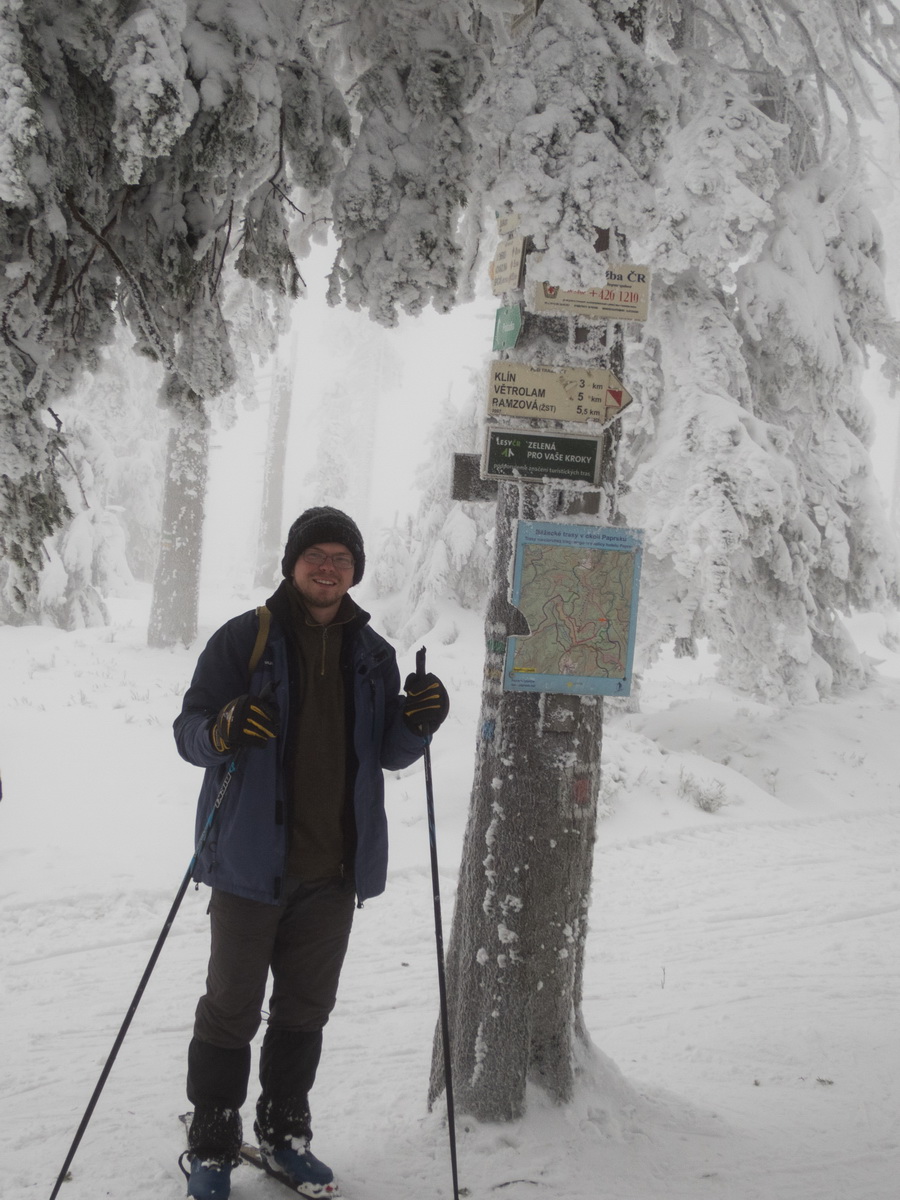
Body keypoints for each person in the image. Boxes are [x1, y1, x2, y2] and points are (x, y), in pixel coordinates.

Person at [174, 507, 449, 1200]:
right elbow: (189, 731)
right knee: (231, 1007)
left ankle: (284, 1134)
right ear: (293, 564)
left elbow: (389, 753)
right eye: (316, 555)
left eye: (341, 559)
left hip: (333, 871)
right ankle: (212, 1142)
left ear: (354, 571)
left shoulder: (374, 655)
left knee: (305, 1009)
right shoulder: (246, 638)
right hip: (248, 867)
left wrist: (419, 724)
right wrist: (223, 729)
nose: (328, 568)